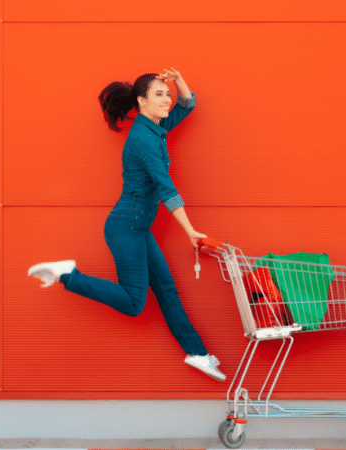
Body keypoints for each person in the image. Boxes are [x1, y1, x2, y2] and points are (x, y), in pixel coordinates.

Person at [28, 68, 225, 382]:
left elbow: (187, 106)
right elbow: (166, 188)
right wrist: (190, 231)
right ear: (141, 101)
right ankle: (68, 274)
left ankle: (197, 353)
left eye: (167, 94)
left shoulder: (155, 126)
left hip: (137, 227)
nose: (167, 100)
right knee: (135, 303)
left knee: (167, 290)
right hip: (126, 227)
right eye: (159, 95)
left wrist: (179, 81)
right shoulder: (144, 140)